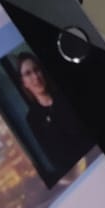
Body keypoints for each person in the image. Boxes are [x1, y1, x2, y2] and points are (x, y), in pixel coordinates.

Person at [14, 51, 93, 179]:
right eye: (28, 73)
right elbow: (54, 157)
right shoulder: (33, 119)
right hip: (78, 175)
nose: (35, 76)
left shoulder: (64, 95)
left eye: (36, 70)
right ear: (24, 83)